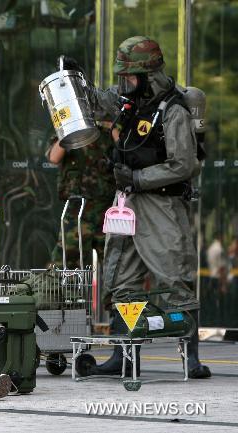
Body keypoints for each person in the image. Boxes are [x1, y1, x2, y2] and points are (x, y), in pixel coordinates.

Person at [63, 36, 210, 379]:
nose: (124, 82)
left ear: (147, 74)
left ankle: (192, 359)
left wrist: (139, 178)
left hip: (161, 206)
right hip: (128, 203)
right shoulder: (131, 103)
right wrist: (76, 79)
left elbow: (183, 164)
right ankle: (124, 355)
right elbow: (99, 104)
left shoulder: (172, 110)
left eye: (129, 76)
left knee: (174, 276)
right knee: (122, 280)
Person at [47, 124, 116, 269]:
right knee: (67, 265)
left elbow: (125, 150)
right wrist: (71, 126)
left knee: (115, 266)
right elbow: (54, 157)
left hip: (107, 209)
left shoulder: (110, 128)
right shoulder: (71, 127)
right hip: (77, 210)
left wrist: (111, 125)